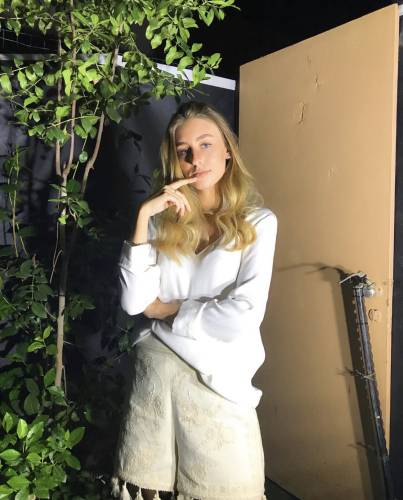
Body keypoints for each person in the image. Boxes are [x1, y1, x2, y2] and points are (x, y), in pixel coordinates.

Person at [111, 101, 278, 500]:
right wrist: (143, 217)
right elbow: (134, 303)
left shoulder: (258, 223)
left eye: (205, 145)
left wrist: (166, 309)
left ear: (227, 151)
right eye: (183, 150)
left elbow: (242, 318)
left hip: (222, 385)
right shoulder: (160, 221)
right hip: (155, 382)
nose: (195, 159)